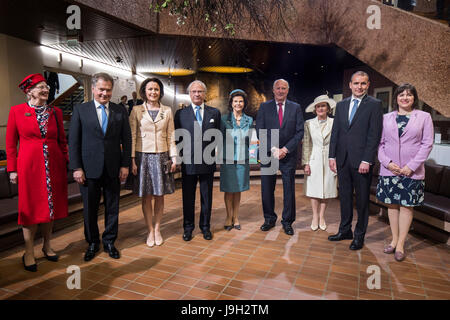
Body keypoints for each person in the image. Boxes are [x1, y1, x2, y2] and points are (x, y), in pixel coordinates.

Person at [6, 73, 68, 272]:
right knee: (30, 210)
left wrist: (67, 162)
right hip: (29, 167)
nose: (46, 90)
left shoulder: (55, 112)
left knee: (50, 209)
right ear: (29, 91)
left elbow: (62, 141)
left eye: (46, 87)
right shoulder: (16, 111)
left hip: (53, 166)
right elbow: (10, 145)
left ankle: (47, 245)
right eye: (41, 87)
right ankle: (29, 251)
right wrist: (12, 169)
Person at [69, 72, 131, 261]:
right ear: (93, 89)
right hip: (88, 169)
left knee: (113, 207)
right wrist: (77, 167)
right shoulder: (81, 110)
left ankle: (110, 241)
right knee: (90, 208)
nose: (104, 93)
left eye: (108, 90)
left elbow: (126, 140)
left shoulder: (119, 110)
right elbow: (74, 142)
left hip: (113, 167)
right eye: (101, 89)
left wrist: (125, 165)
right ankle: (93, 242)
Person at [376, 83, 433, 261]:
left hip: (411, 172)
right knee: (392, 206)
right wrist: (387, 162)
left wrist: (412, 166)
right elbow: (380, 144)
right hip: (389, 170)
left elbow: (427, 144)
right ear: (396, 98)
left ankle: (401, 244)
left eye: (409, 95)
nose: (405, 98)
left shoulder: (424, 117)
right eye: (401, 95)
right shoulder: (386, 118)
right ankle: (393, 240)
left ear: (414, 98)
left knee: (406, 206)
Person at [328, 71, 383, 250]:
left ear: (368, 85)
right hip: (342, 160)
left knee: (361, 201)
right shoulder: (341, 105)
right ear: (350, 85)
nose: (359, 87)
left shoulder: (375, 105)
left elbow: (374, 135)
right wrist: (332, 156)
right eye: (356, 83)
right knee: (344, 198)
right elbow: (335, 132)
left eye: (363, 84)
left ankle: (359, 236)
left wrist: (367, 160)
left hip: (362, 163)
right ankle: (345, 230)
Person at [126, 78, 177, 247]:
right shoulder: (136, 110)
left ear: (160, 92)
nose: (153, 92)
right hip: (142, 157)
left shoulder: (167, 111)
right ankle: (149, 230)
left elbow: (171, 136)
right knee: (146, 196)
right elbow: (132, 136)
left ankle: (157, 229)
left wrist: (174, 157)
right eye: (150, 89)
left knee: (159, 195)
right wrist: (132, 160)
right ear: (144, 92)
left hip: (162, 156)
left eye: (156, 89)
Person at [256, 79, 304, 236]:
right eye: (278, 88)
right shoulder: (264, 107)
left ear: (288, 91)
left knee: (289, 189)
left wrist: (285, 149)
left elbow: (299, 132)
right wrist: (274, 149)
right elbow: (260, 130)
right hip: (268, 153)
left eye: (284, 88)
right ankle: (269, 219)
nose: (281, 91)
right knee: (267, 189)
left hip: (288, 155)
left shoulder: (295, 108)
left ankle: (287, 222)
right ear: (273, 90)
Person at [174, 80, 221, 241]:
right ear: (189, 94)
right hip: (188, 163)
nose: (197, 94)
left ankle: (205, 227)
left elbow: (217, 137)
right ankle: (188, 228)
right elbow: (177, 138)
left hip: (207, 162)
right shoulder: (180, 114)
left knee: (206, 197)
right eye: (194, 91)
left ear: (205, 94)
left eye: (200, 91)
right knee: (188, 197)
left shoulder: (214, 113)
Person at [302, 95, 338, 231]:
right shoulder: (309, 123)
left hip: (330, 159)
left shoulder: (334, 123)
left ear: (328, 108)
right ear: (315, 109)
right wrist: (306, 163)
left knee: (326, 188)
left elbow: (337, 143)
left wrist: (336, 159)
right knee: (314, 189)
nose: (321, 108)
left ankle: (322, 216)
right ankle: (315, 216)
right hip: (314, 158)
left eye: (323, 106)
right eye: (318, 106)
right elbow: (306, 144)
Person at [220, 89, 253, 231]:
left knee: (238, 189)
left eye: (240, 101)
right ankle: (228, 216)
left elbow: (250, 140)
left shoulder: (249, 120)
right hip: (227, 158)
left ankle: (236, 217)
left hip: (242, 158)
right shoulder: (223, 119)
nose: (238, 103)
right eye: (235, 101)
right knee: (228, 189)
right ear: (231, 103)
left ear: (244, 103)